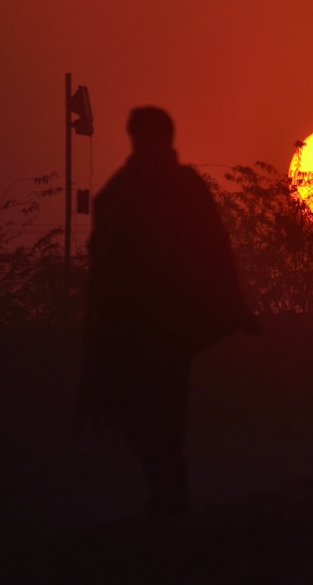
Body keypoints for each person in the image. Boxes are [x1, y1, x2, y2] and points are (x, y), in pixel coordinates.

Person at [80, 106, 259, 516]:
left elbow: (213, 245)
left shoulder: (184, 187)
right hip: (126, 322)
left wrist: (230, 303)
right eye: (139, 135)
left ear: (166, 138)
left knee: (165, 407)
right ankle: (162, 485)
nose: (145, 142)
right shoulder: (118, 192)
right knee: (131, 407)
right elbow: (104, 258)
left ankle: (169, 490)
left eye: (151, 135)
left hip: (168, 323)